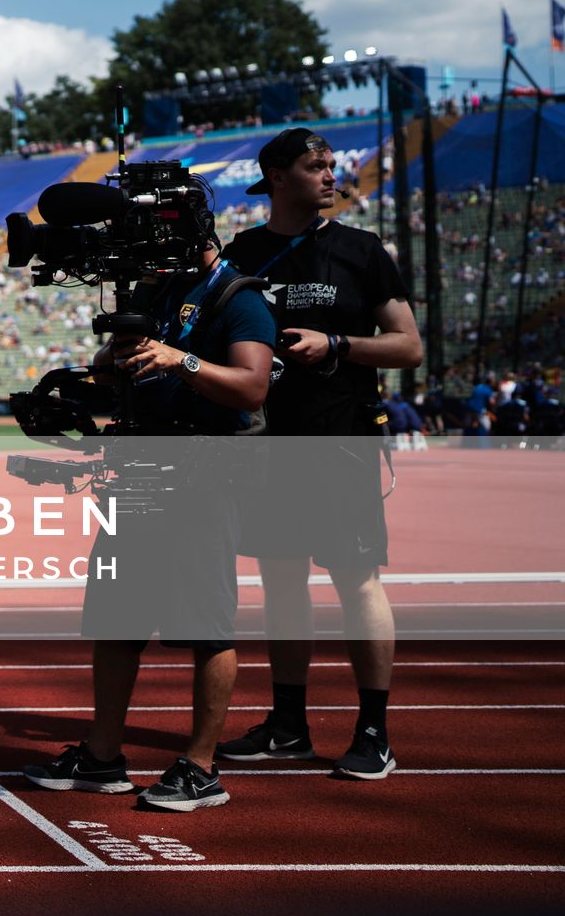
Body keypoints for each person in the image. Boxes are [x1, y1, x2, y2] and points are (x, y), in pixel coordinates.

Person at [23, 199, 275, 812]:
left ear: (193, 235)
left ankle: (200, 767)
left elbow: (253, 385)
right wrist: (106, 369)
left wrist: (179, 359)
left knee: (205, 623)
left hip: (207, 470)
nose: (147, 257)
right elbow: (129, 373)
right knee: (115, 616)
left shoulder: (238, 295)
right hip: (137, 469)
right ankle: (103, 755)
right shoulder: (158, 292)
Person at [217, 127, 423, 780]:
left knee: (354, 576)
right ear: (276, 176)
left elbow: (409, 345)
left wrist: (338, 346)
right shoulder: (243, 253)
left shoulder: (363, 251)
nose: (332, 175)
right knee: (280, 579)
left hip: (342, 440)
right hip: (266, 442)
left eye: (333, 165)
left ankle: (374, 730)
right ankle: (288, 726)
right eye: (316, 166)